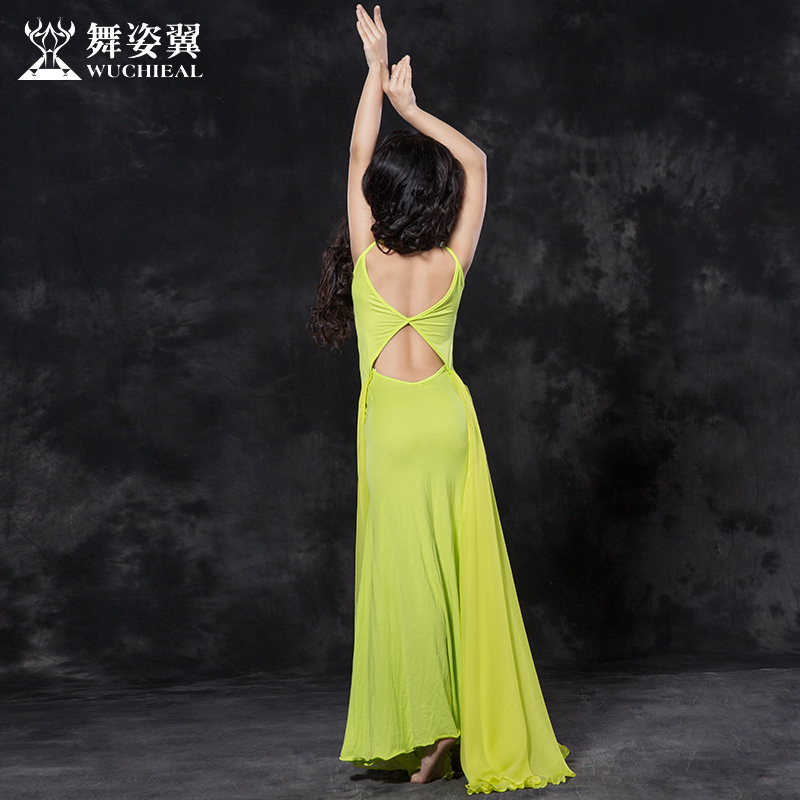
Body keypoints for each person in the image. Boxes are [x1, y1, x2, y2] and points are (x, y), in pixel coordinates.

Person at [310, 5, 575, 793]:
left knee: (409, 576)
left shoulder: (368, 260)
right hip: (450, 423)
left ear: (379, 199)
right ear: (433, 200)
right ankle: (448, 723)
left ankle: (436, 729)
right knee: (458, 571)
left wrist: (372, 72)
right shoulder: (450, 264)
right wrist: (414, 107)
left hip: (392, 430)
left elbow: (358, 151)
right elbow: (479, 162)